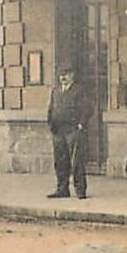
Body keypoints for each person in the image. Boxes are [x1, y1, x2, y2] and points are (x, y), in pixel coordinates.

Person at [47, 67, 91, 199]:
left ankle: (80, 190)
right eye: (61, 75)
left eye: (66, 74)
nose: (63, 78)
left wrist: (81, 125)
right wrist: (50, 123)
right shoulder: (56, 91)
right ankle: (62, 189)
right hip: (58, 131)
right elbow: (51, 108)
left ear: (72, 75)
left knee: (77, 161)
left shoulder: (79, 91)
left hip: (73, 131)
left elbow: (88, 108)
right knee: (60, 161)